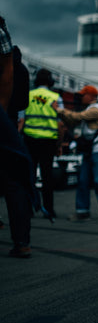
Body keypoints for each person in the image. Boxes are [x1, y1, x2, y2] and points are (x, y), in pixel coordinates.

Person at [1, 15, 36, 257]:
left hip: (4, 118)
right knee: (15, 182)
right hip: (9, 124)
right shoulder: (22, 70)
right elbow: (23, 102)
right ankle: (22, 242)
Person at [55, 85, 98, 222]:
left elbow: (77, 117)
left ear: (92, 96)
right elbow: (73, 120)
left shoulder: (96, 110)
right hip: (92, 150)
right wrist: (62, 113)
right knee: (83, 180)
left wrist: (59, 109)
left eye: (83, 95)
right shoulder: (90, 108)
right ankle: (82, 211)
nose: (81, 97)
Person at [20, 68, 63, 219]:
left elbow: (21, 120)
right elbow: (60, 124)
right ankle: (49, 209)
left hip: (30, 140)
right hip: (48, 141)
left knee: (29, 175)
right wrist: (59, 144)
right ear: (50, 81)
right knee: (47, 176)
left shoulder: (29, 95)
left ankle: (28, 208)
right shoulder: (55, 97)